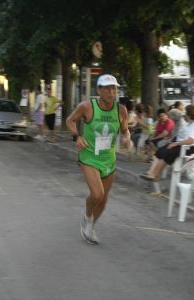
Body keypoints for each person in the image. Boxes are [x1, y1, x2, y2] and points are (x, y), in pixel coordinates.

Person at [66, 74, 131, 245]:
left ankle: (90, 226)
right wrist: (77, 137)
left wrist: (126, 137)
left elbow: (125, 129)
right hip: (89, 157)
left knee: (103, 199)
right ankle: (87, 217)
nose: (112, 91)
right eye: (107, 88)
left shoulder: (121, 110)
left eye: (114, 88)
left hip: (109, 160)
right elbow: (70, 121)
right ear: (99, 90)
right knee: (97, 194)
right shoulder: (87, 106)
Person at [139, 104, 194, 182]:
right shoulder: (192, 123)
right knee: (160, 151)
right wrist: (173, 141)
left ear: (189, 115)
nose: (184, 115)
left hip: (188, 148)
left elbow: (191, 141)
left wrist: (176, 143)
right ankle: (151, 172)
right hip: (182, 145)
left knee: (166, 153)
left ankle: (155, 175)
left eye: (185, 114)